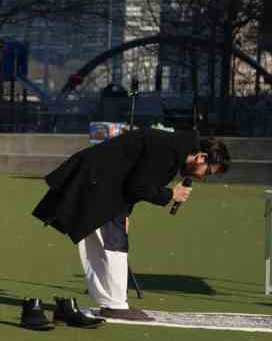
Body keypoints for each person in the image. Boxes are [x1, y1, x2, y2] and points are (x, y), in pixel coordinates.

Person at [31, 129, 230, 313]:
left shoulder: (174, 149)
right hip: (96, 184)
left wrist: (125, 213)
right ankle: (115, 305)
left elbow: (132, 180)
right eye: (207, 172)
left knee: (105, 243)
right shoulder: (170, 151)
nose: (203, 177)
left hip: (99, 184)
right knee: (113, 243)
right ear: (201, 157)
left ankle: (110, 302)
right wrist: (171, 194)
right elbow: (138, 186)